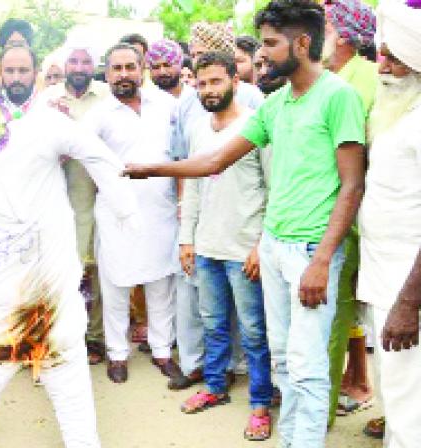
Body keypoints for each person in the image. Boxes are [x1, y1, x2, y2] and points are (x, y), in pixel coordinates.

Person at [124, 1, 366, 446]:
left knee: (308, 366)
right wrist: (151, 169)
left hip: (313, 251)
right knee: (284, 361)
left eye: (270, 45)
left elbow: (352, 186)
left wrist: (323, 260)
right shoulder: (277, 105)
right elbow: (216, 159)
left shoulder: (338, 97)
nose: (263, 56)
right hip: (274, 246)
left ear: (302, 43)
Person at [0, 81, 136, 448]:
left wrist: (124, 202)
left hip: (50, 305)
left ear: (5, 114)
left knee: (70, 399)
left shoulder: (41, 129)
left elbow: (93, 151)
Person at [176, 51, 273, 441]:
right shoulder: (198, 128)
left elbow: (274, 187)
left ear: (235, 80)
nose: (209, 89)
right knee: (213, 325)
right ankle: (215, 387)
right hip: (207, 247)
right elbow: (193, 189)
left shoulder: (256, 126)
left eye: (216, 81)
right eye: (202, 83)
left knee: (252, 331)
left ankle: (260, 402)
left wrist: (260, 246)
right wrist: (188, 240)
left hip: (244, 248)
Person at [82, 43, 181, 385]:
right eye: (116, 68)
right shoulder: (96, 115)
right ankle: (117, 354)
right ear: (106, 73)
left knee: (160, 284)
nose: (124, 74)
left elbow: (181, 154)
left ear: (142, 70)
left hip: (162, 211)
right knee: (116, 285)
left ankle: (162, 351)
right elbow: (83, 159)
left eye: (130, 67)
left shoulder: (168, 105)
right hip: (116, 214)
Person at [358, 2, 421, 446]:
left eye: (393, 56)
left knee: (408, 404)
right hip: (383, 280)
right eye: (381, 53)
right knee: (397, 397)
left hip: (407, 290)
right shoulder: (396, 113)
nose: (381, 65)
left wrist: (407, 304)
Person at [35, 35, 111, 366]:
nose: (79, 68)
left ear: (94, 66)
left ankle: (94, 338)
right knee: (56, 273)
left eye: (85, 62)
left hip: (94, 198)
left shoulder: (107, 98)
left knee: (92, 271)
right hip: (54, 199)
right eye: (74, 61)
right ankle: (56, 338)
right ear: (64, 65)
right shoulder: (47, 99)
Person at [321, 0, 379, 422]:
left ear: (341, 33)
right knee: (335, 317)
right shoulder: (329, 78)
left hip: (364, 221)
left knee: (365, 319)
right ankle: (321, 407)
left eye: (320, 24)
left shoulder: (369, 80)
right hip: (331, 217)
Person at [147, 38, 206, 389]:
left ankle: (215, 361)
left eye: (168, 64)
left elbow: (188, 160)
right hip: (163, 203)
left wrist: (186, 209)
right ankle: (179, 352)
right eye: (156, 66)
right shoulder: (149, 102)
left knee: (194, 281)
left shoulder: (193, 100)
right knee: (175, 280)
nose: (163, 71)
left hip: (194, 202)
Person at [189, 22, 265, 110]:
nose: (196, 61)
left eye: (201, 54)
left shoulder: (251, 95)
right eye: (193, 56)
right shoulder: (187, 101)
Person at [0, 45, 38, 114]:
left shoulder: (49, 106)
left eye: (23, 71)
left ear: (35, 73)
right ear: (0, 73)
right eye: (9, 71)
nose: (16, 78)